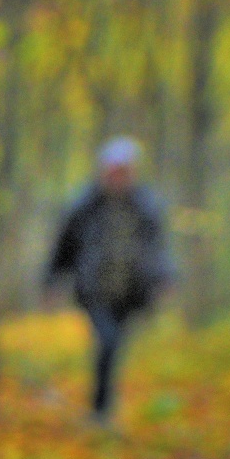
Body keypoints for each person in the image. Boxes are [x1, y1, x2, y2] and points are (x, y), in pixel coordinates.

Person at [44, 137, 174, 420]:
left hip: (131, 292)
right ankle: (101, 409)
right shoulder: (85, 205)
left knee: (114, 346)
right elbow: (64, 246)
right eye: (114, 170)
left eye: (124, 171)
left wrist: (165, 278)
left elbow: (157, 248)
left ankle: (104, 404)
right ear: (104, 171)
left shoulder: (145, 206)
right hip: (94, 290)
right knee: (108, 341)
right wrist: (52, 281)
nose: (118, 177)